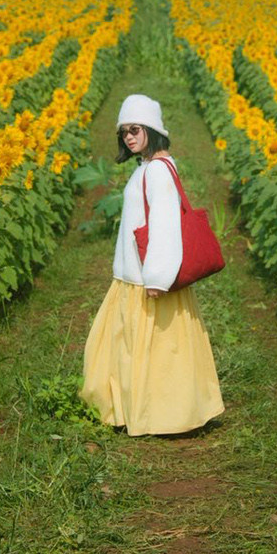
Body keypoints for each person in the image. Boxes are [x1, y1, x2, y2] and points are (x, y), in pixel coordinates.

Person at [80, 93, 225, 436]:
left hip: (148, 279)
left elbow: (164, 226)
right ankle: (134, 407)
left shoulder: (157, 171)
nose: (128, 136)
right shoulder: (149, 166)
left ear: (152, 129)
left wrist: (157, 277)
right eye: (124, 132)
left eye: (135, 129)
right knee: (137, 348)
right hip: (135, 276)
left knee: (155, 351)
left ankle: (160, 414)